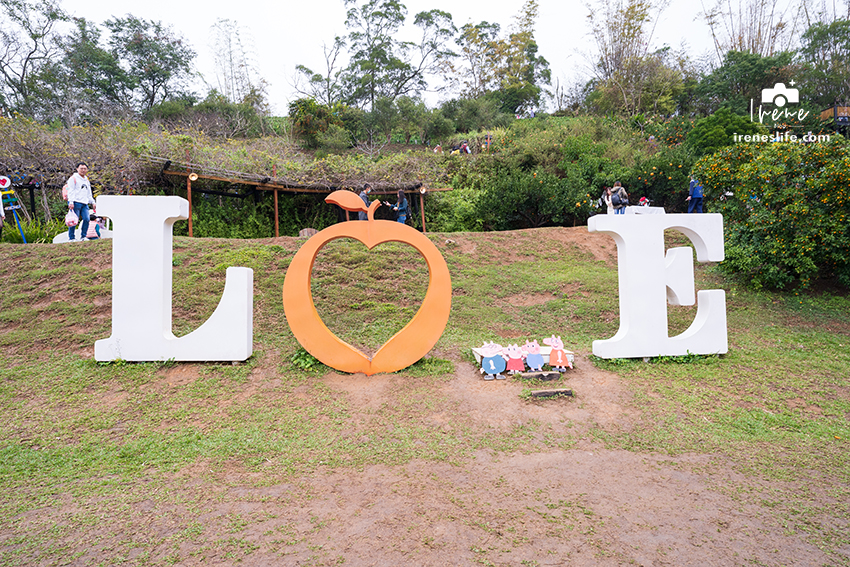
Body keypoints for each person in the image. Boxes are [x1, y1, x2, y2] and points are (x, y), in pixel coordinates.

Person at [65, 162, 94, 240]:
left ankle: (83, 236)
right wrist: (71, 202)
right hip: (75, 202)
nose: (83, 170)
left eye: (85, 169)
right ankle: (71, 238)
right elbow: (70, 190)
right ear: (77, 169)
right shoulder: (73, 178)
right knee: (73, 220)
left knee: (87, 219)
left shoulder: (86, 180)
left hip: (84, 202)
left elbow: (89, 192)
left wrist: (92, 202)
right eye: (81, 168)